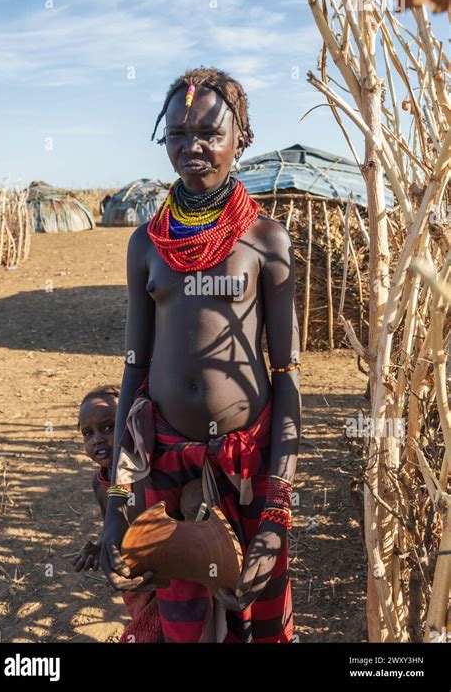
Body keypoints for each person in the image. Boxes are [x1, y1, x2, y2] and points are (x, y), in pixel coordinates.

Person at [100, 66, 301, 643]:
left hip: (249, 461)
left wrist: (276, 515)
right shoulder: (147, 244)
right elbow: (135, 367)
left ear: (243, 138)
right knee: (180, 619)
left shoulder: (266, 240)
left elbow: (286, 375)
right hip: (166, 462)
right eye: (178, 134)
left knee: (254, 616)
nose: (193, 146)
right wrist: (117, 498)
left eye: (210, 133)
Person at [74, 385, 162, 642]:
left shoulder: (148, 474)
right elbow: (114, 526)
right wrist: (100, 546)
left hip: (163, 573)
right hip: (135, 581)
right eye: (87, 433)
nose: (97, 439)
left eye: (108, 428)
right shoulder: (98, 484)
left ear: (130, 426)